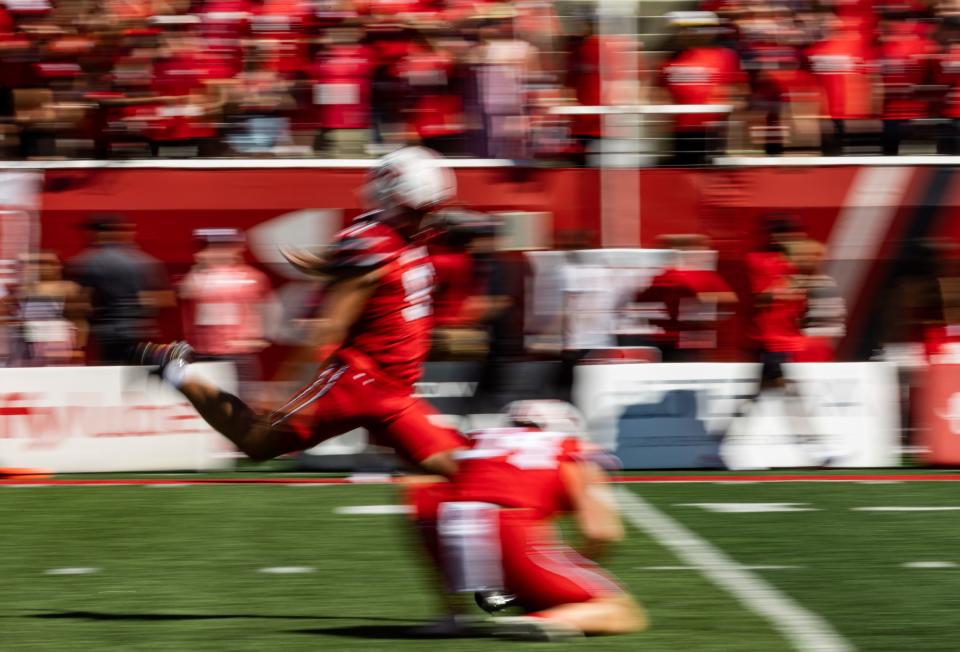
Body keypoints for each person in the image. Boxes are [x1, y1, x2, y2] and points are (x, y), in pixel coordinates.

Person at [135, 146, 466, 477]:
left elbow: (381, 277)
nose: (426, 219)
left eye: (429, 209)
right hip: (359, 384)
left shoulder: (396, 237)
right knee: (256, 441)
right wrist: (282, 385)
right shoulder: (371, 244)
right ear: (393, 200)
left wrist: (327, 265)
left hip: (396, 391)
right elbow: (330, 327)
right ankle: (175, 370)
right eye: (418, 211)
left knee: (458, 469)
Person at [406, 400, 646, 640]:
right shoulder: (571, 450)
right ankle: (546, 621)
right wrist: (575, 567)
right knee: (623, 611)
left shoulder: (477, 440)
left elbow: (418, 488)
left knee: (434, 512)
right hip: (509, 531)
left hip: (444, 524)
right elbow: (601, 532)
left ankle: (452, 614)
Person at [67, 214, 174, 364]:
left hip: (109, 336)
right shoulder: (145, 261)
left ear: (98, 233)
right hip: (143, 332)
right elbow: (165, 299)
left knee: (111, 379)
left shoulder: (88, 261)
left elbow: (79, 303)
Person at [178, 228, 272, 397]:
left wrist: (257, 336)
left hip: (239, 355)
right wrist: (198, 267)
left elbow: (264, 309)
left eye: (225, 247)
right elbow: (184, 293)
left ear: (236, 249)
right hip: (205, 355)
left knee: (243, 404)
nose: (218, 252)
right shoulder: (198, 277)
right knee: (209, 404)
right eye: (213, 248)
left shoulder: (251, 277)